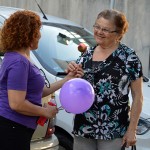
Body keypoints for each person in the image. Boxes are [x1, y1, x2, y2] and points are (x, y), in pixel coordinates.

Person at [0, 10, 83, 150]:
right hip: (11, 128)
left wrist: (67, 79)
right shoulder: (19, 62)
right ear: (28, 34)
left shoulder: (20, 57)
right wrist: (44, 112)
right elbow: (16, 103)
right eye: (37, 31)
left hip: (16, 127)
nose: (39, 36)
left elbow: (39, 91)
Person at [67, 9, 143, 150]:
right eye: (97, 27)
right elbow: (77, 87)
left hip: (113, 130)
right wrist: (72, 72)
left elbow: (138, 96)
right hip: (84, 126)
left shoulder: (129, 57)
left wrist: (132, 130)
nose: (99, 32)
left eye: (106, 29)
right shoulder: (86, 54)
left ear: (119, 34)